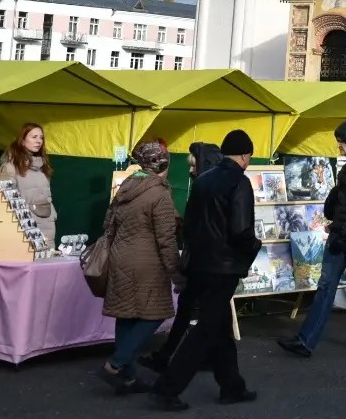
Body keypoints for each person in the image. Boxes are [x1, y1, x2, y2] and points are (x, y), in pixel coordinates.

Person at [152, 130, 261, 412]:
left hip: (199, 263)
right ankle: (167, 387)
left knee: (220, 326)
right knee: (206, 330)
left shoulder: (203, 180)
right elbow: (240, 231)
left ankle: (231, 386)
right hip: (223, 267)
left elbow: (189, 226)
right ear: (246, 155)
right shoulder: (240, 182)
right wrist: (253, 247)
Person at [279, 119, 346, 359]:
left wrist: (343, 231)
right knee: (325, 286)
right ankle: (305, 341)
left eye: (342, 142)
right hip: (341, 233)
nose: (339, 146)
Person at [98, 140, 179, 395]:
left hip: (120, 258)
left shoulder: (126, 186)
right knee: (155, 315)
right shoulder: (160, 193)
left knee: (126, 316)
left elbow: (107, 224)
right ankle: (116, 363)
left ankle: (128, 378)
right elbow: (166, 239)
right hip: (148, 265)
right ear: (163, 165)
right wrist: (175, 271)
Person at [142, 142, 225, 374]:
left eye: (193, 165)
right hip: (204, 261)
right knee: (197, 313)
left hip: (203, 262)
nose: (189, 170)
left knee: (199, 314)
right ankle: (175, 358)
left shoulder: (206, 189)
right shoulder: (210, 187)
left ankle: (175, 363)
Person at [0, 123, 57, 246]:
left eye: (41, 137)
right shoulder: (9, 168)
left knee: (47, 262)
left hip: (47, 226)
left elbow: (47, 197)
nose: (38, 141)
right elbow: (3, 201)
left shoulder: (43, 169)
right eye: (34, 137)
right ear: (22, 140)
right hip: (23, 229)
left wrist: (53, 213)